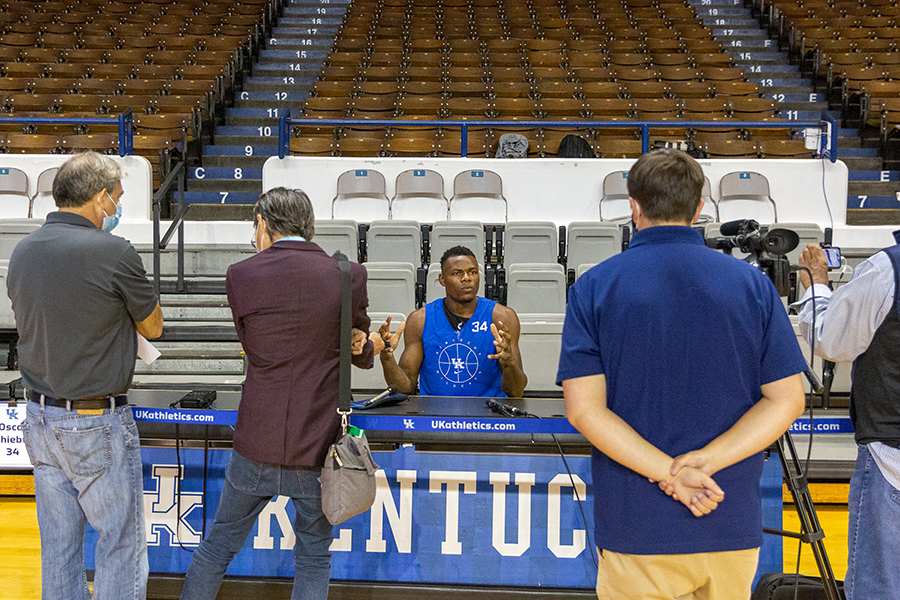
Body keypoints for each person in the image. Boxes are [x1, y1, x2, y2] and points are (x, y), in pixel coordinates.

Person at [557, 149, 807, 600]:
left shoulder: (594, 287)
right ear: (699, 208)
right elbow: (787, 399)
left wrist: (669, 474)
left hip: (638, 522)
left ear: (633, 207)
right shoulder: (753, 285)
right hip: (726, 513)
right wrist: (705, 463)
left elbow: (583, 411)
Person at [180, 187, 381, 600]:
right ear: (309, 226)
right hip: (317, 444)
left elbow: (252, 348)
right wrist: (371, 345)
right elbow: (356, 351)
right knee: (313, 558)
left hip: (256, 439)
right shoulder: (350, 274)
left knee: (217, 548)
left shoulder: (240, 274)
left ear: (262, 223)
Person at [8, 151, 163, 600]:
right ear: (99, 197)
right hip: (95, 420)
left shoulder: (22, 251)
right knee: (120, 545)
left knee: (59, 550)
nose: (118, 207)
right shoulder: (114, 251)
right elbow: (153, 326)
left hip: (39, 418)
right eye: (117, 197)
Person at [797, 241, 900, 599]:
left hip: (890, 460)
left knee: (879, 589)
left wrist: (817, 286)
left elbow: (831, 338)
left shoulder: (887, 268)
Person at [378, 245, 527, 398]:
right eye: (457, 273)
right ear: (442, 280)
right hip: (434, 412)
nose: (466, 278)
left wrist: (509, 364)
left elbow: (516, 392)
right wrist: (387, 358)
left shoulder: (503, 317)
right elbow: (405, 388)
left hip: (488, 412)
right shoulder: (419, 320)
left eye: (473, 272)